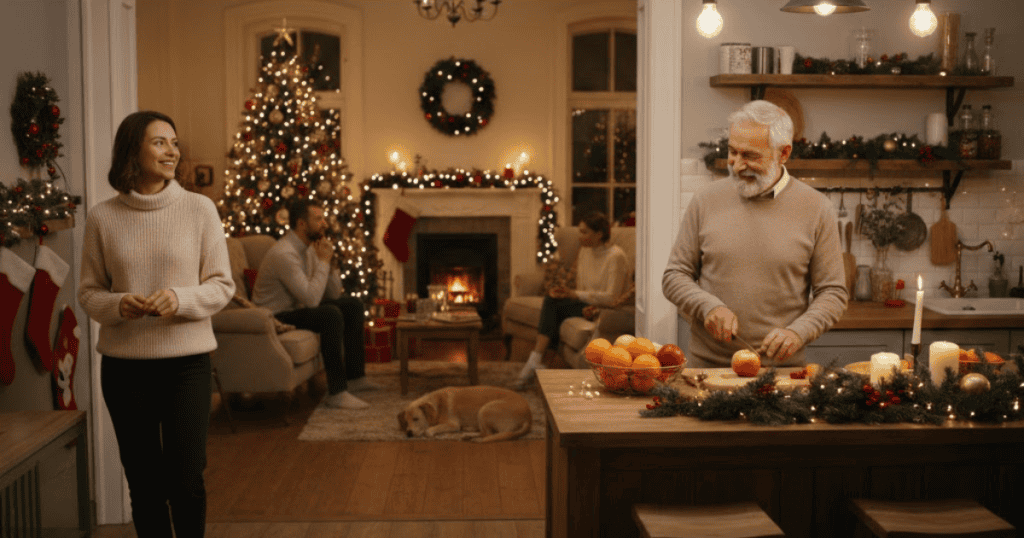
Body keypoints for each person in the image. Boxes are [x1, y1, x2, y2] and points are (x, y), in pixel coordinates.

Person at [78, 111, 235, 538]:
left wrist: (180, 299)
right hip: (125, 368)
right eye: (160, 143)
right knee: (145, 485)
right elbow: (89, 293)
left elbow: (222, 286)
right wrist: (118, 304)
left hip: (186, 365)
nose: (172, 151)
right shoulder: (102, 217)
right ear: (133, 149)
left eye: (174, 143)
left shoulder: (200, 209)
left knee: (186, 481)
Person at [662, 100, 848, 367]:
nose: (737, 165)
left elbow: (833, 293)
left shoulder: (817, 208)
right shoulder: (705, 200)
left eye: (750, 156)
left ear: (783, 154)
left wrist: (799, 332)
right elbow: (674, 276)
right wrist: (708, 306)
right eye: (732, 152)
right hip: (708, 368)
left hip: (781, 372)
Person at [251, 198, 379, 409]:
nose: (325, 224)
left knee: (353, 305)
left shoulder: (310, 248)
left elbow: (333, 293)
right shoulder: (284, 253)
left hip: (296, 308)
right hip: (275, 315)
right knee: (330, 315)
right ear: (302, 224)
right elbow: (311, 300)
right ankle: (337, 391)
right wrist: (323, 262)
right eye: (318, 219)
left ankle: (356, 379)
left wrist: (331, 262)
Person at [514, 212, 629, 389]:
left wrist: (576, 295)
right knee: (552, 301)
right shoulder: (584, 251)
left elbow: (611, 297)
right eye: (579, 231)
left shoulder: (616, 256)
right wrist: (568, 293)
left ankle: (536, 360)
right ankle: (538, 361)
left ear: (599, 234)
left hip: (606, 309)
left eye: (584, 232)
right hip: (587, 303)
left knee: (552, 306)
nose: (579, 236)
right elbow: (582, 287)